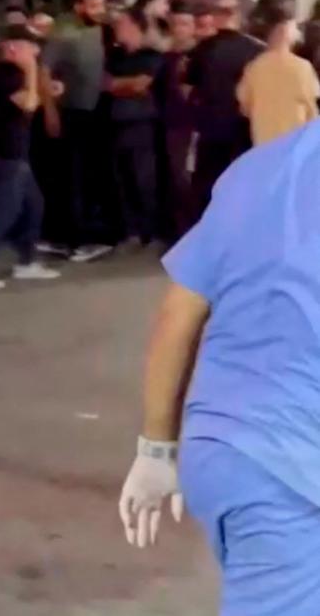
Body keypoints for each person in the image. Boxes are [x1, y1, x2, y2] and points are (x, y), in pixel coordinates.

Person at [118, 119, 320, 616]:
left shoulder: (259, 169)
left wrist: (155, 448)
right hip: (290, 468)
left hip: (232, 448)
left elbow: (179, 313)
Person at [0, 25, 60, 289]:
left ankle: (26, 262)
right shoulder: (4, 73)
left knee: (33, 206)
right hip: (6, 152)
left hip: (16, 151)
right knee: (4, 211)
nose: (36, 51)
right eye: (30, 46)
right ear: (14, 47)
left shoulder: (8, 74)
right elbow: (28, 105)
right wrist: (30, 70)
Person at [41, 0, 115, 262]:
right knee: (72, 177)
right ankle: (73, 240)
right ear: (79, 6)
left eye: (102, 5)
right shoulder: (63, 33)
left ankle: (76, 236)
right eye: (94, 6)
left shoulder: (102, 31)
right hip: (71, 112)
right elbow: (44, 70)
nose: (100, 11)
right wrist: (50, 110)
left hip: (95, 111)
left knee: (89, 176)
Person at [186, 0, 262, 219]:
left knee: (207, 185)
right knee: (239, 184)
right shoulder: (255, 50)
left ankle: (205, 234)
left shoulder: (203, 49)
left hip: (210, 127)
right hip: (242, 128)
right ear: (238, 17)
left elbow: (190, 84)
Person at [106, 8, 164, 247]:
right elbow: (104, 83)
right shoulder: (115, 56)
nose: (117, 27)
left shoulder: (151, 56)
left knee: (144, 179)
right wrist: (123, 85)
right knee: (122, 179)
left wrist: (119, 85)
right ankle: (130, 230)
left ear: (136, 26)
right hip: (115, 123)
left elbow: (142, 85)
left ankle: (149, 231)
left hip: (142, 124)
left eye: (122, 23)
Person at [237, 1, 319, 146]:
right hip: (294, 144)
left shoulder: (254, 67)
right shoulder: (302, 67)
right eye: (294, 27)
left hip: (263, 144)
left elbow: (244, 108)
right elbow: (311, 109)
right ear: (283, 30)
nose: (298, 32)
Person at [159, 0, 199, 242]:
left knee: (188, 179)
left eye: (185, 24)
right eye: (176, 24)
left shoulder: (200, 55)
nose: (180, 29)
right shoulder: (167, 56)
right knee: (176, 179)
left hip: (193, 125)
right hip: (172, 123)